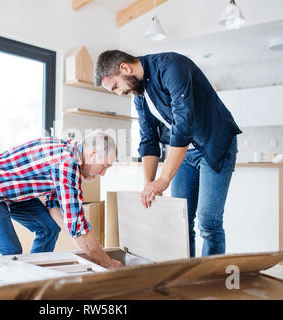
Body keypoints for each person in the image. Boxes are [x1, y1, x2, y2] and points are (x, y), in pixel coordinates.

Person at [95, 50, 242, 257]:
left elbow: (183, 126)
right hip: (184, 153)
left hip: (214, 144)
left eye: (116, 86)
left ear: (125, 68)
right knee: (181, 221)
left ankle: (211, 279)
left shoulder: (171, 67)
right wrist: (149, 184)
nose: (119, 92)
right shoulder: (140, 96)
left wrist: (163, 179)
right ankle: (186, 276)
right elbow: (149, 141)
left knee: (208, 221)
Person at [0, 131, 124, 269]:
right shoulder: (67, 164)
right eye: (104, 166)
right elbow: (77, 226)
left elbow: (56, 210)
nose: (102, 173)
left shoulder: (67, 155)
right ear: (93, 154)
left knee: (49, 228)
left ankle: (33, 276)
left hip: (11, 192)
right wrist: (105, 261)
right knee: (10, 250)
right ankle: (7, 290)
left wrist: (89, 246)